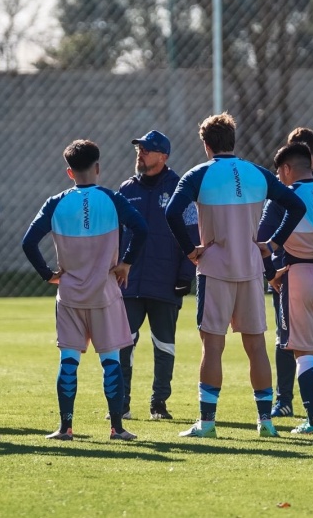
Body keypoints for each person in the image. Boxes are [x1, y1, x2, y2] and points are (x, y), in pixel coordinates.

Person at [165, 113, 306, 438]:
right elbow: (296, 205)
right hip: (251, 270)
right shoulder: (257, 173)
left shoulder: (198, 174)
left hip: (214, 269)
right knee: (256, 347)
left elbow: (172, 212)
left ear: (206, 144)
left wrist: (190, 249)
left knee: (212, 347)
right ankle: (266, 423)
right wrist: (273, 243)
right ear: (233, 140)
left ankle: (208, 423)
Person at [22, 139, 148, 441]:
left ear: (69, 173)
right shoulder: (112, 199)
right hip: (104, 294)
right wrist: (126, 263)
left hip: (69, 295)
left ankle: (65, 427)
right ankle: (117, 428)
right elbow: (141, 229)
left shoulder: (56, 203)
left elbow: (28, 242)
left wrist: (48, 275)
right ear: (98, 168)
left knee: (68, 361)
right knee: (110, 361)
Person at [258, 143, 313, 435]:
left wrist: (272, 275)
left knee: (303, 351)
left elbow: (262, 243)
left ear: (285, 170)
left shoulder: (285, 197)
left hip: (299, 274)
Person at [116, 130, 196, 421]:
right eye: (139, 149)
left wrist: (186, 274)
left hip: (166, 281)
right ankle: (121, 404)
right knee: (124, 343)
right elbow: (116, 234)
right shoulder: (126, 189)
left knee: (164, 345)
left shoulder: (179, 188)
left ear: (163, 156)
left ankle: (158, 404)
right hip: (130, 282)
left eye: (147, 150)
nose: (141, 154)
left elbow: (192, 234)